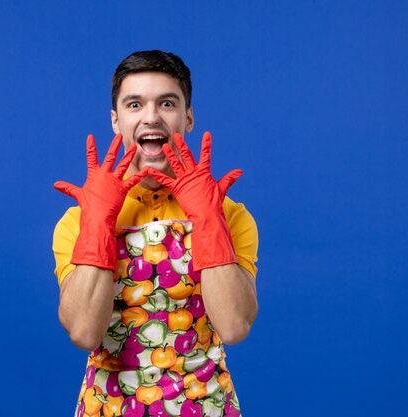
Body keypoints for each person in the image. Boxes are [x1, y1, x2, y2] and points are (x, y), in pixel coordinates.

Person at [53, 50, 258, 417]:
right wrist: (98, 224)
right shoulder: (78, 219)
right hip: (110, 408)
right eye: (134, 104)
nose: (151, 117)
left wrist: (209, 220)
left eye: (166, 102)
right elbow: (84, 332)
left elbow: (234, 326)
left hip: (204, 405)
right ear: (116, 121)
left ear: (188, 117)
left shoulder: (228, 213)